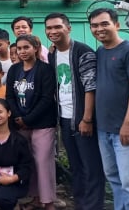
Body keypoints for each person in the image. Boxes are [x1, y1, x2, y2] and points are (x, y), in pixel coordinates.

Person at [44, 12, 105, 209]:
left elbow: (91, 87)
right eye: (49, 28)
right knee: (76, 166)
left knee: (91, 167)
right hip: (64, 118)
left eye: (57, 27)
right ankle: (80, 204)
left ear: (68, 28)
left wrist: (86, 119)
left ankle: (93, 205)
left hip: (82, 119)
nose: (53, 31)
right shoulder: (53, 54)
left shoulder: (83, 51)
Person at [5, 34, 58, 210]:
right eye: (19, 48)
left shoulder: (45, 69)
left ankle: (48, 201)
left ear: (36, 48)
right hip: (20, 123)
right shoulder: (14, 70)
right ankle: (35, 197)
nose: (22, 51)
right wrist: (18, 118)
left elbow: (46, 98)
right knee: (29, 162)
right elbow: (10, 96)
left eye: (26, 47)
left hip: (42, 123)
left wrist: (28, 118)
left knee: (43, 161)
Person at [88, 8, 129, 209]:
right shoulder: (100, 52)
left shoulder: (128, 50)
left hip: (123, 129)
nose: (99, 29)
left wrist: (128, 124)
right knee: (113, 178)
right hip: (104, 128)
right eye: (95, 25)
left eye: (104, 23)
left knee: (128, 181)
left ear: (117, 24)